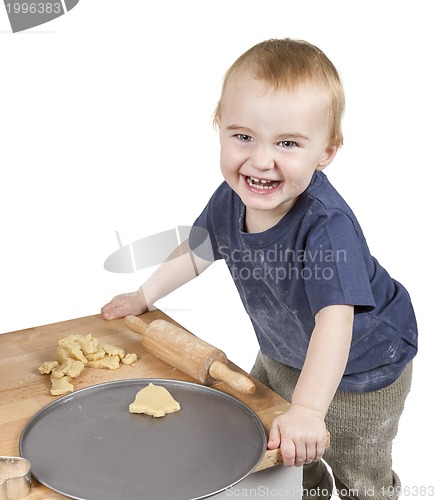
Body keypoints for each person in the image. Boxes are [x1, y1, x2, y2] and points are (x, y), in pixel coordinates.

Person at [101, 39, 417, 499]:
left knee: (355, 468)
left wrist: (309, 409)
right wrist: (144, 297)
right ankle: (305, 489)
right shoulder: (232, 198)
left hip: (360, 370)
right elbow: (197, 249)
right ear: (220, 128)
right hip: (284, 352)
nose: (261, 160)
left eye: (287, 143)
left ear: (326, 152)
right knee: (275, 446)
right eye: (243, 136)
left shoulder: (327, 228)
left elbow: (336, 320)